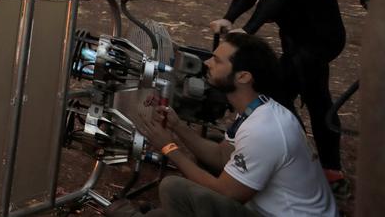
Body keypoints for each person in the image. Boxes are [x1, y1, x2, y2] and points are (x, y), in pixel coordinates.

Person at [208, 0, 347, 191]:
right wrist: (229, 18)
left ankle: (329, 170)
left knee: (311, 96)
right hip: (294, 37)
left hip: (319, 37)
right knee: (281, 94)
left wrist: (250, 28)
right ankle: (301, 158)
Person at [137, 32, 335, 217]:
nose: (207, 63)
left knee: (173, 189)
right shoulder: (257, 108)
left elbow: (225, 192)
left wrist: (169, 148)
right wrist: (177, 126)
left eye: (217, 60)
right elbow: (221, 156)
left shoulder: (264, 130)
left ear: (243, 76)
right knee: (211, 146)